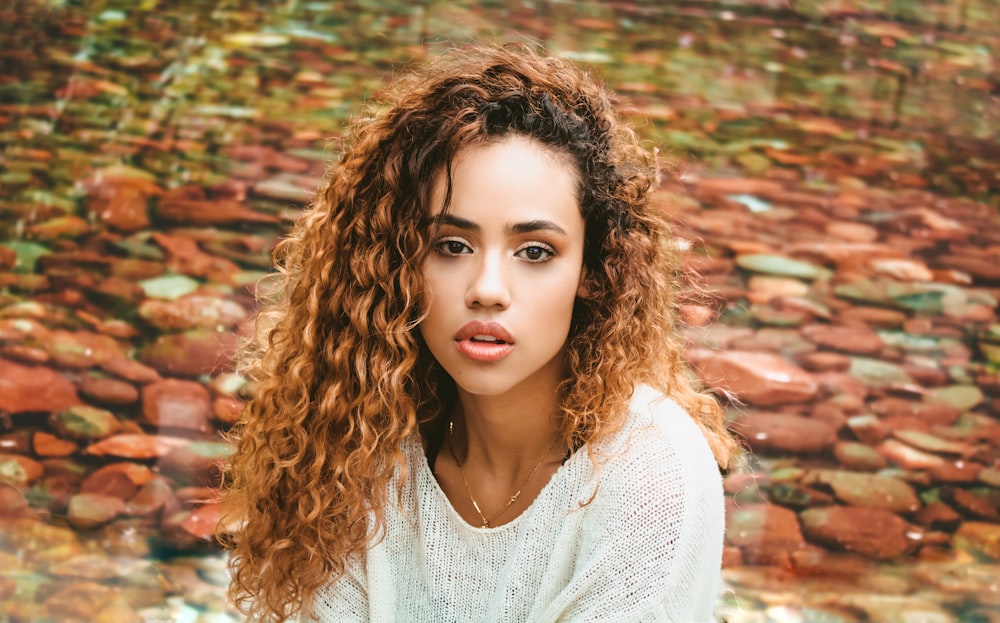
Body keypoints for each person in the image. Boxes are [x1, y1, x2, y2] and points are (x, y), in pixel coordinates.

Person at [219, 43, 738, 623]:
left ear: (592, 272)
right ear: (398, 264)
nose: (487, 288)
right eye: (452, 246)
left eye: (535, 251)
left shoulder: (651, 472)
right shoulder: (357, 442)